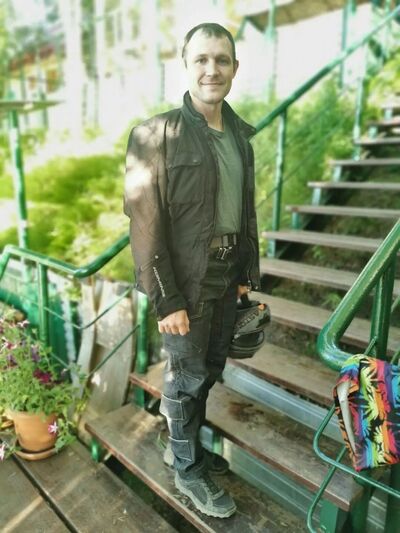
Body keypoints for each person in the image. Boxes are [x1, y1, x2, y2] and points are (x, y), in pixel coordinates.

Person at [124, 22, 260, 519]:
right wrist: (167, 300)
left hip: (226, 275)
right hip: (184, 281)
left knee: (208, 371)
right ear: (185, 65)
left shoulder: (240, 137)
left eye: (221, 60)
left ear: (235, 68)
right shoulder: (154, 136)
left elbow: (244, 212)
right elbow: (145, 225)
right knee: (184, 378)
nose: (211, 69)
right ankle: (186, 469)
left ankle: (182, 448)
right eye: (201, 59)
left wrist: (245, 273)